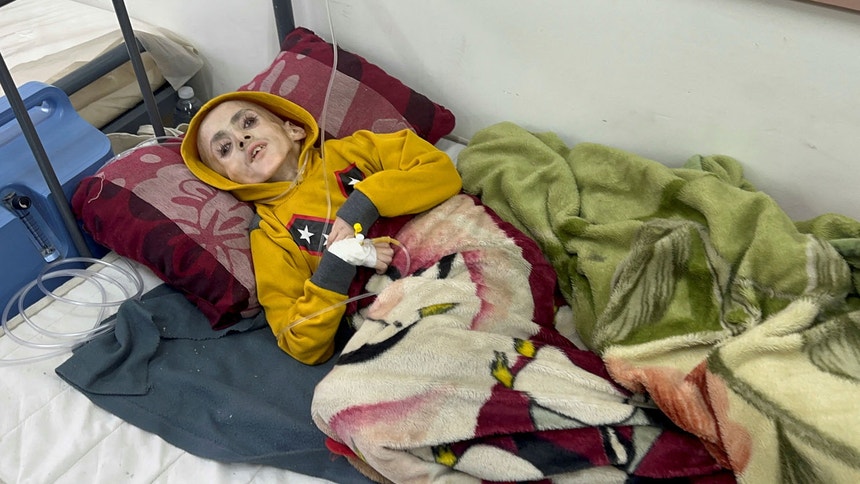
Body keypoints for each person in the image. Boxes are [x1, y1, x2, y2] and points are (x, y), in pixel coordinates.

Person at [180, 91, 462, 365]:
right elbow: (299, 342)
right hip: (399, 315)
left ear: (293, 129)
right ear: (228, 182)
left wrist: (364, 204)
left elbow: (442, 172)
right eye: (225, 148)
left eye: (248, 122)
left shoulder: (356, 149)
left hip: (454, 249)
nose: (242, 139)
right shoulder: (269, 235)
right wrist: (338, 263)